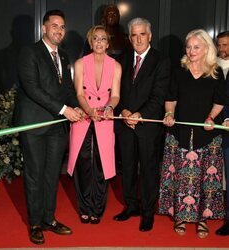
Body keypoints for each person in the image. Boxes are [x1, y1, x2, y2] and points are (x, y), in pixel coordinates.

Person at [14, 9, 82, 244]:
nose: (59, 30)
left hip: (56, 127)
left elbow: (68, 89)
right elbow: (33, 89)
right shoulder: (29, 52)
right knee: (35, 176)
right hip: (35, 125)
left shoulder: (63, 56)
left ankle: (48, 219)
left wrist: (78, 107)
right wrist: (65, 110)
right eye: (54, 25)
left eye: (62, 26)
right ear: (44, 28)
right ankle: (34, 223)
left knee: (52, 175)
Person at [159, 29, 226, 238]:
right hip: (179, 133)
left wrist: (211, 118)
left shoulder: (216, 72)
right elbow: (171, 98)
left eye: (196, 47)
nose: (191, 50)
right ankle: (180, 215)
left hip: (207, 136)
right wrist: (169, 113)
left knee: (205, 179)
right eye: (188, 46)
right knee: (181, 177)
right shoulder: (179, 70)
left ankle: (202, 219)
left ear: (207, 48)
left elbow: (220, 100)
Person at [113, 17, 171, 232]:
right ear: (129, 37)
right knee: (127, 167)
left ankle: (147, 213)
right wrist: (124, 111)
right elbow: (116, 91)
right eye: (134, 35)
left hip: (148, 125)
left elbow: (159, 95)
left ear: (150, 36)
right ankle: (131, 206)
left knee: (148, 169)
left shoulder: (162, 61)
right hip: (125, 123)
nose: (138, 39)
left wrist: (139, 114)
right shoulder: (122, 58)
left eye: (142, 34)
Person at [67, 25, 121, 224]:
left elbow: (115, 95)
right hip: (84, 113)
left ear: (108, 43)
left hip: (105, 117)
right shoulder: (80, 63)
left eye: (103, 39)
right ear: (90, 42)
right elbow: (79, 94)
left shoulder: (116, 66)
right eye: (95, 39)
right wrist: (89, 110)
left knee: (101, 162)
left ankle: (97, 208)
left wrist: (108, 107)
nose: (99, 42)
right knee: (82, 162)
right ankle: (84, 207)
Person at [215, 31, 229, 236]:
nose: (222, 49)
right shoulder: (214, 66)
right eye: (220, 45)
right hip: (217, 129)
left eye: (226, 45)